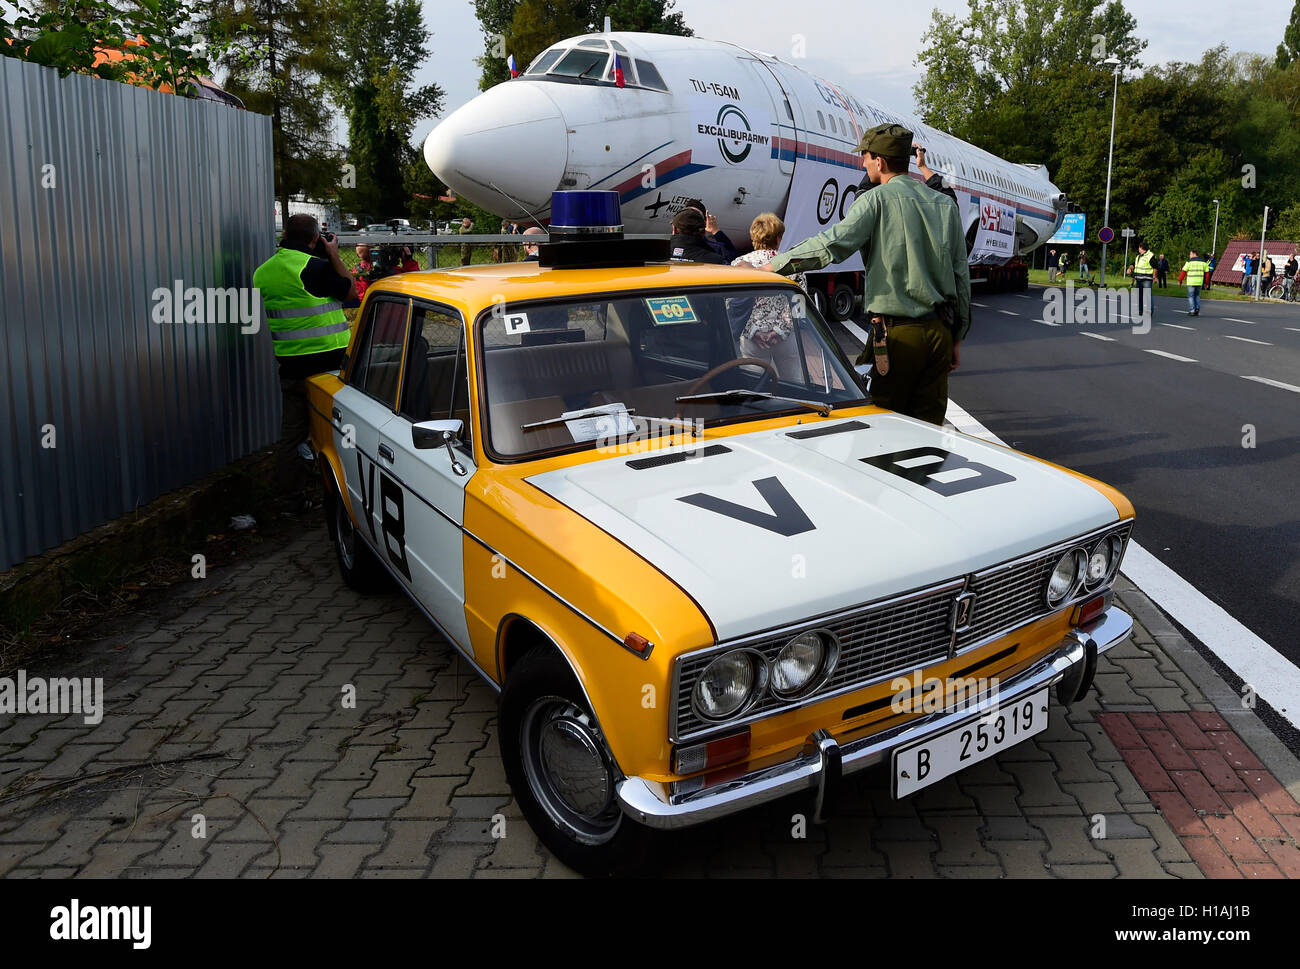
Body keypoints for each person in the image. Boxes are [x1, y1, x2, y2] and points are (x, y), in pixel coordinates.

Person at [755, 122, 970, 426]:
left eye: (866, 156)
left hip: (899, 338)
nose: (863, 162)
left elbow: (830, 244)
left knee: (884, 428)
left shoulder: (874, 200)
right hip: (940, 334)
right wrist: (957, 337)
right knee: (929, 430)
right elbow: (960, 276)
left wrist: (773, 266)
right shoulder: (945, 205)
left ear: (879, 161)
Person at [251, 214, 355, 506]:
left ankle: (290, 496)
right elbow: (351, 292)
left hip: (291, 365)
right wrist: (333, 255)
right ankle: (344, 491)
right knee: (341, 429)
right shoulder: (316, 267)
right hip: (330, 366)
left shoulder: (263, 272)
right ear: (314, 239)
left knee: (292, 434)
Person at [730, 213, 805, 378]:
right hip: (785, 337)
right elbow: (799, 306)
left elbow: (733, 305)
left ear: (753, 238)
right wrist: (779, 331)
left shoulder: (738, 264)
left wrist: (753, 331)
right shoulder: (792, 265)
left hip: (752, 337)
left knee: (755, 386)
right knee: (794, 382)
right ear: (778, 238)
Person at [683, 198, 740, 262]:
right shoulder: (717, 250)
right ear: (705, 223)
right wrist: (716, 231)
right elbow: (734, 259)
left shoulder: (672, 248)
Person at [1181, 249, 1209, 316]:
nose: (1189, 255)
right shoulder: (1203, 262)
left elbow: (1183, 272)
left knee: (1191, 296)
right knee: (1197, 296)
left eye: (1190, 254)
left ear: (1194, 254)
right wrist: (1206, 283)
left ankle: (1192, 310)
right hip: (1199, 282)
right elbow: (1207, 274)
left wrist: (1180, 280)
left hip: (1191, 282)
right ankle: (1197, 309)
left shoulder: (1189, 262)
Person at [1131, 242, 1155, 318]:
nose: (1138, 249)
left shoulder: (1150, 256)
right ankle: (1140, 311)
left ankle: (1149, 312)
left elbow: (1155, 267)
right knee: (1139, 296)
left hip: (1147, 279)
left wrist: (1154, 277)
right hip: (1138, 279)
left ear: (1142, 248)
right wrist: (1129, 268)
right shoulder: (1138, 256)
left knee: (1148, 296)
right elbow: (1134, 265)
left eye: (1139, 247)